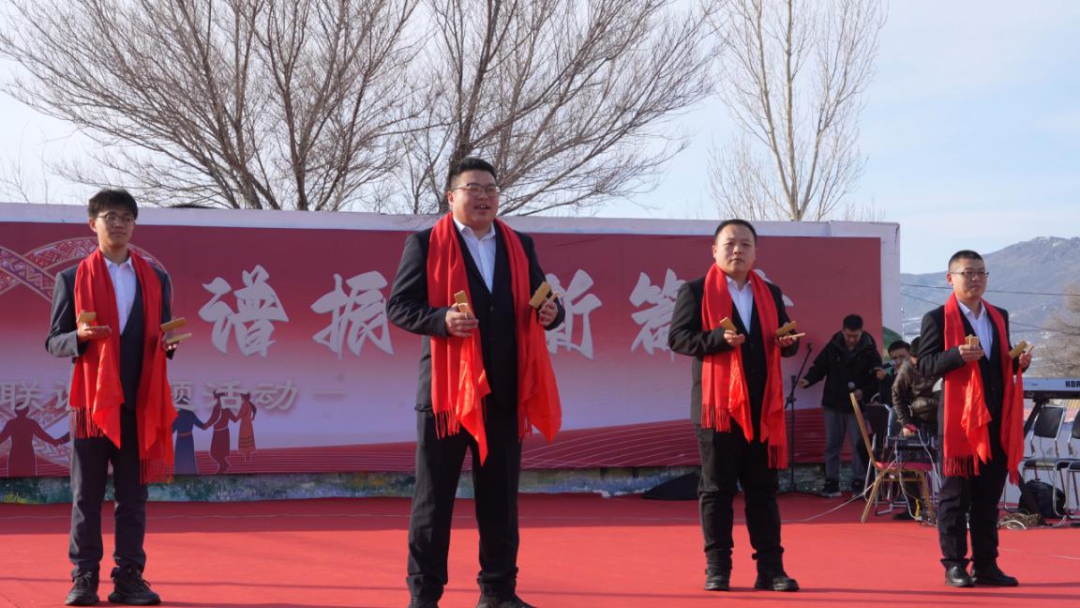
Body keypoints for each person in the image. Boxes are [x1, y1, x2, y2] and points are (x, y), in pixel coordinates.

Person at [387, 157, 564, 608]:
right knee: (433, 500)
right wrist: (441, 320)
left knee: (500, 500)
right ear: (452, 197)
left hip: (505, 391)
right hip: (447, 395)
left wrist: (553, 312)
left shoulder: (519, 244)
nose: (483, 196)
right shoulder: (424, 244)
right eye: (473, 188)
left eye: (490, 189)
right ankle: (424, 595)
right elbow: (399, 306)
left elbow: (546, 299)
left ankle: (498, 592)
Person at [46, 189, 178, 606]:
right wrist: (79, 337)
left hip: (140, 402)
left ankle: (129, 577)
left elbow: (164, 334)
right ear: (93, 224)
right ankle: (84, 576)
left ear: (134, 225)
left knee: (133, 496)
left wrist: (170, 346)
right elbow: (54, 341)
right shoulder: (71, 279)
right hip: (91, 404)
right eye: (110, 217)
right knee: (86, 495)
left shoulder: (156, 279)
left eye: (126, 217)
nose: (118, 224)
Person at [668, 219, 801, 593]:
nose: (738, 250)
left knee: (763, 491)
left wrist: (788, 342)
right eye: (729, 243)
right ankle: (718, 569)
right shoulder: (695, 291)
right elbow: (678, 338)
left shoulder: (769, 292)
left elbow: (784, 335)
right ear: (715, 250)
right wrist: (716, 339)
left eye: (745, 244)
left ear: (756, 252)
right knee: (716, 490)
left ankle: (771, 570)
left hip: (762, 409)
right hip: (717, 411)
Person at [916, 250, 1030, 588]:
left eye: (981, 272)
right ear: (950, 278)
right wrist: (956, 355)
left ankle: (986, 565)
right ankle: (954, 565)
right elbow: (925, 367)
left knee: (987, 499)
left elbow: (999, 364)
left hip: (995, 419)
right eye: (968, 273)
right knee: (955, 498)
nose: (976, 278)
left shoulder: (999, 315)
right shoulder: (937, 318)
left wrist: (1017, 363)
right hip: (959, 423)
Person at [797, 314, 883, 496]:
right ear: (843, 331)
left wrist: (864, 392)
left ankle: (860, 482)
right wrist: (808, 380)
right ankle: (832, 482)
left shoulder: (870, 350)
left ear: (861, 332)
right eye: (849, 335)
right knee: (832, 445)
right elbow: (819, 368)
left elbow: (877, 379)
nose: (851, 340)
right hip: (833, 404)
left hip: (857, 406)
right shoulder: (833, 346)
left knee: (859, 446)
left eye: (855, 336)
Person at [889, 336, 939, 520]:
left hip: (944, 416)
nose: (915, 362)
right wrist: (905, 422)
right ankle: (915, 506)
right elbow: (896, 394)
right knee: (904, 454)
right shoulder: (908, 367)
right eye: (913, 358)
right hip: (918, 419)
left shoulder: (941, 362)